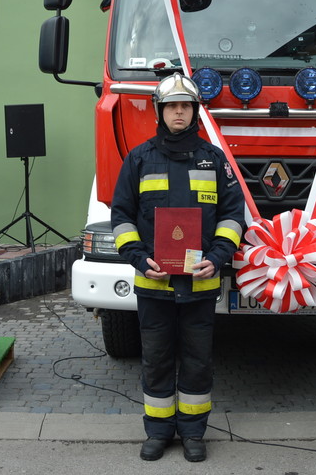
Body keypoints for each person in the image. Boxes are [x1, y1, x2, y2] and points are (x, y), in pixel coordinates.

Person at [111, 73, 245, 463]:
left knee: (198, 360)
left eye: (185, 106)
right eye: (172, 106)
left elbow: (233, 216)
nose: (179, 112)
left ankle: (192, 432)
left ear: (195, 111)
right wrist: (138, 257)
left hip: (200, 285)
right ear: (161, 111)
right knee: (156, 359)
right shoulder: (138, 159)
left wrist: (218, 257)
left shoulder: (214, 159)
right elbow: (121, 217)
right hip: (154, 284)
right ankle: (157, 431)